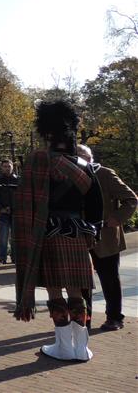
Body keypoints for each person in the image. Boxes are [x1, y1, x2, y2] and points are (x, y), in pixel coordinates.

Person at [14, 100, 103, 362]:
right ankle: (80, 349)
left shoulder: (38, 160)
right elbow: (96, 209)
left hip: (48, 235)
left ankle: (62, 347)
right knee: (77, 293)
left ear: (48, 134)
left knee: (54, 291)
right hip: (76, 236)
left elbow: (23, 202)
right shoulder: (85, 166)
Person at [77, 144, 136, 331]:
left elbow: (131, 199)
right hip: (80, 237)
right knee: (82, 282)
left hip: (106, 236)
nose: (80, 160)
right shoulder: (70, 177)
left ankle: (115, 317)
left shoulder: (104, 174)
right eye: (76, 156)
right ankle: (83, 319)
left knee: (109, 279)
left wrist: (117, 218)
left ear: (91, 158)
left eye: (84, 156)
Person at [0, 159, 18, 265]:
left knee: (15, 236)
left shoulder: (17, 179)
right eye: (5, 166)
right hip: (4, 212)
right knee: (3, 236)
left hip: (16, 211)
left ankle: (15, 257)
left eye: (9, 166)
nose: (7, 168)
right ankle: (2, 258)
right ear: (1, 167)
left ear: (12, 167)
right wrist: (1, 207)